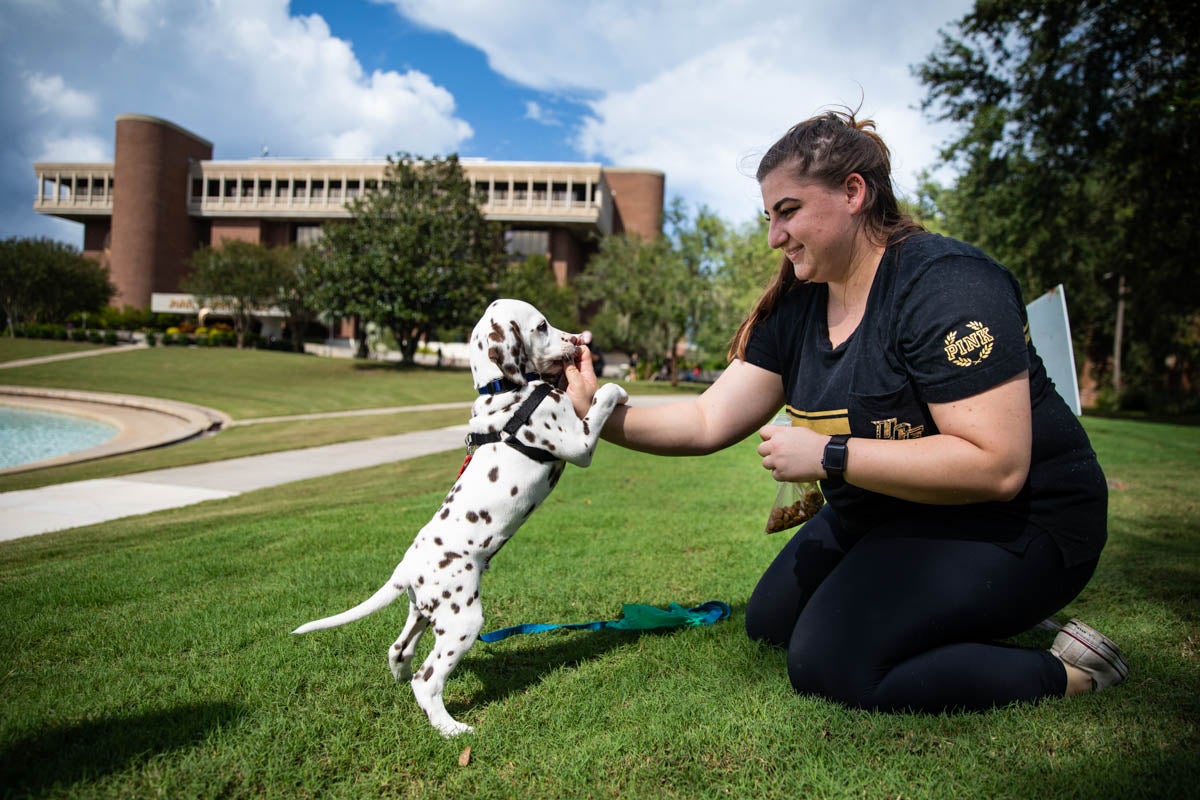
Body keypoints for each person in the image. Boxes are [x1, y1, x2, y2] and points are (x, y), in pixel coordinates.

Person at [561, 108, 1128, 713]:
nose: (774, 237)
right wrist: (595, 410)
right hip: (899, 510)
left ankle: (1073, 671)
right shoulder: (797, 308)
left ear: (854, 192)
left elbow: (997, 466)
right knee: (771, 624)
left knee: (830, 661)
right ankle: (950, 614)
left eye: (788, 211)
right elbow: (706, 420)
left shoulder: (947, 287)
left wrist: (831, 453)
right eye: (769, 217)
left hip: (1019, 521)